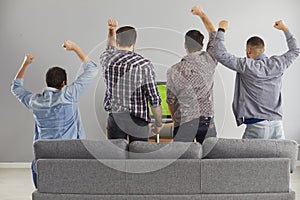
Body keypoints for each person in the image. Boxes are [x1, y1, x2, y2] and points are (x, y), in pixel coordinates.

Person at [11, 40, 99, 188]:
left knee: (35, 166)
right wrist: (75, 48)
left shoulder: (35, 102)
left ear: (47, 82)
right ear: (64, 83)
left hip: (45, 156)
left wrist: (25, 63)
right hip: (72, 155)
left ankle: (43, 193)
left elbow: (16, 87)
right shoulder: (69, 94)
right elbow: (92, 70)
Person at [214, 20, 300, 139]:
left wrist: (221, 29)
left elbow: (220, 54)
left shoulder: (246, 65)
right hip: (277, 126)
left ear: (249, 50)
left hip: (256, 126)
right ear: (263, 49)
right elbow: (295, 50)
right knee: (280, 157)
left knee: (245, 158)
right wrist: (285, 29)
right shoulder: (278, 64)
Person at [100, 19, 163, 143]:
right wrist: (158, 124)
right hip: (138, 122)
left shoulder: (107, 60)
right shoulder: (143, 65)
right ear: (134, 42)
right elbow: (154, 99)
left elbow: (109, 48)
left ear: (117, 40)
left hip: (115, 119)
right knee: (138, 160)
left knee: (116, 159)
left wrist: (111, 31)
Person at [166, 6, 218, 143]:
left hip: (184, 121)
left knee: (183, 163)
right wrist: (201, 14)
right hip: (206, 121)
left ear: (185, 45)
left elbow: (170, 101)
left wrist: (176, 120)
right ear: (202, 44)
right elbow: (214, 34)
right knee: (210, 160)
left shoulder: (174, 70)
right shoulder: (210, 59)